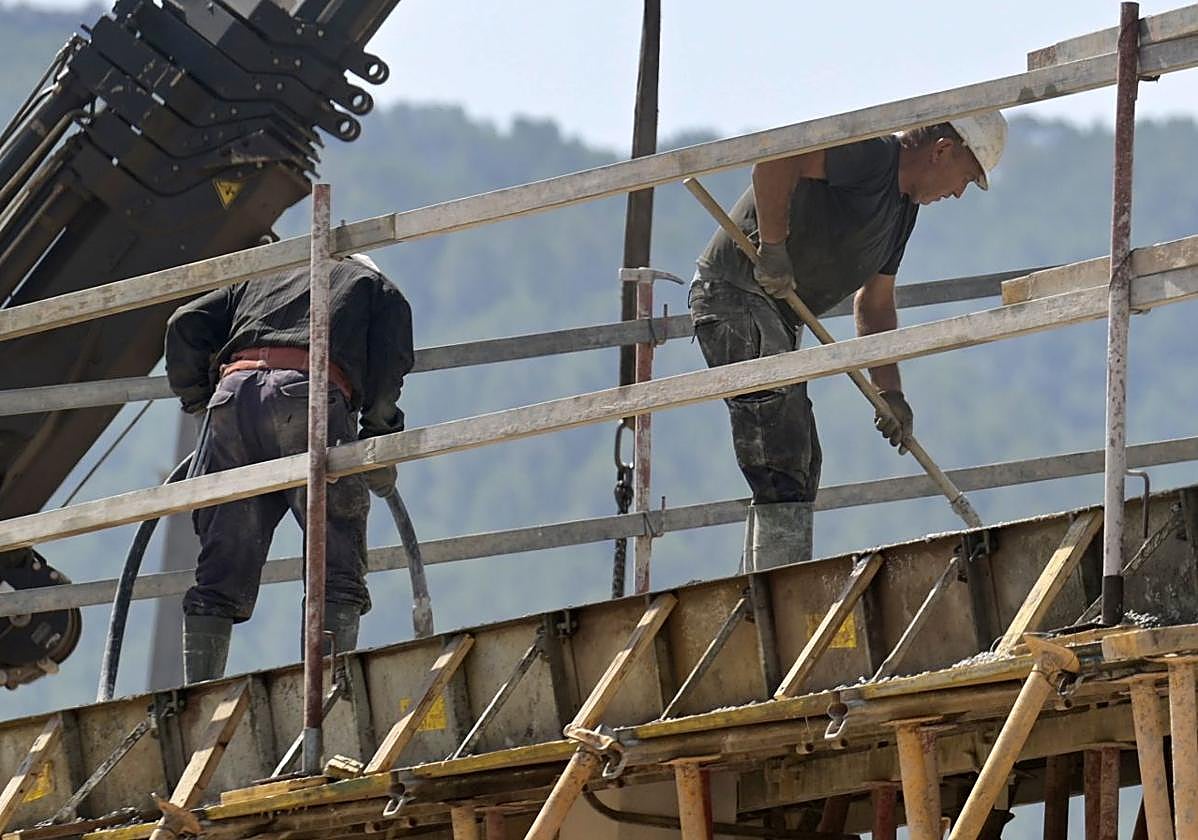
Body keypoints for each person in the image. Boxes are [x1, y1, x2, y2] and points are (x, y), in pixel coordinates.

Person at [689, 112, 1007, 571]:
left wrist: (890, 391)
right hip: (735, 296)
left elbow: (875, 304)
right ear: (942, 150)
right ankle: (775, 590)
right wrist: (773, 246)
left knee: (799, 461)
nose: (957, 192)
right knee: (783, 458)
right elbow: (778, 157)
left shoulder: (903, 212)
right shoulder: (873, 157)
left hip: (772, 313)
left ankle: (766, 579)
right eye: (965, 178)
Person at [164, 252, 414, 683]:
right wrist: (377, 439)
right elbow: (387, 376)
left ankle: (197, 695)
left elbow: (184, 320)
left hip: (234, 397)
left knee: (224, 553)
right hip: (309, 397)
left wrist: (200, 400)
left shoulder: (263, 277)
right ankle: (326, 686)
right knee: (336, 549)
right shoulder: (376, 288)